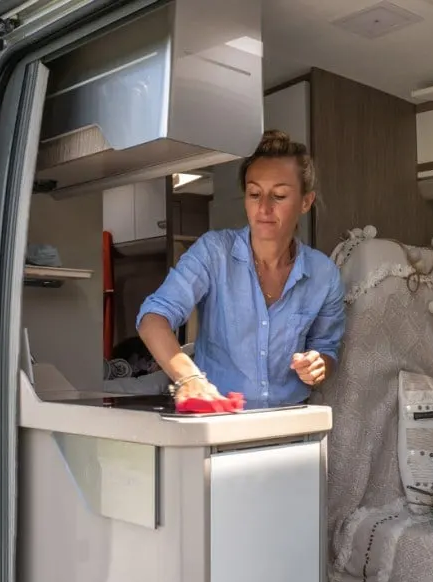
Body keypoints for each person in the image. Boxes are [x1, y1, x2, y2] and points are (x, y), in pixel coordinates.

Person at [136, 130, 346, 409]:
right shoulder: (213, 252)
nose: (264, 207)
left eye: (279, 195)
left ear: (306, 202)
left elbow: (327, 348)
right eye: (254, 194)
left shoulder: (324, 274)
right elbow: (153, 317)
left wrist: (319, 365)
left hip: (291, 421)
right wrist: (189, 378)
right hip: (220, 418)